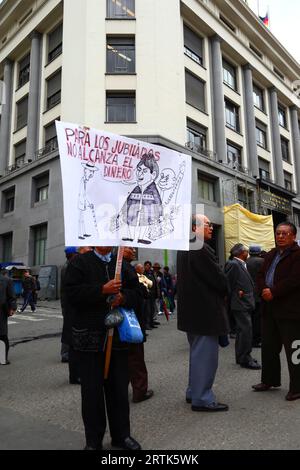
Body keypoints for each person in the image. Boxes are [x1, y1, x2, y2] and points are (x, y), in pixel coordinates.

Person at [64, 246, 141, 450]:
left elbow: (138, 292)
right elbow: (71, 294)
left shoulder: (121, 264)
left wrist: (123, 297)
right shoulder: (79, 263)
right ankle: (93, 441)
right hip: (89, 339)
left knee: (119, 390)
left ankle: (121, 435)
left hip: (117, 338)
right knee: (92, 393)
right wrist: (101, 290)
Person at [177, 214, 229, 412]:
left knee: (197, 355)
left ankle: (194, 391)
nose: (211, 228)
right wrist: (226, 287)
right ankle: (202, 398)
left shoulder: (184, 247)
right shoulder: (200, 247)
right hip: (205, 312)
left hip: (192, 312)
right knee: (205, 357)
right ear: (194, 227)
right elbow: (218, 279)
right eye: (207, 224)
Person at [252, 222, 300, 401]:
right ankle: (269, 380)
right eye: (278, 233)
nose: (280, 236)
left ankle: (297, 387)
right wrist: (264, 289)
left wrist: (274, 291)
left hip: (290, 310)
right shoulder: (271, 254)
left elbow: (295, 280)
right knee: (269, 347)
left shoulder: (297, 255)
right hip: (269, 308)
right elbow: (260, 275)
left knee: (294, 349)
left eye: (284, 234)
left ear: (293, 236)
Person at [123, 247, 154, 403]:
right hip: (130, 319)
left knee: (128, 357)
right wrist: (141, 289)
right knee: (135, 357)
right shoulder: (122, 268)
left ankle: (126, 389)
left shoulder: (124, 267)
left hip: (127, 319)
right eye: (129, 248)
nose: (133, 251)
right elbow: (138, 292)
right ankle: (140, 391)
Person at [224, 244, 261, 370]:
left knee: (242, 331)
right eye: (246, 251)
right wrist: (236, 293)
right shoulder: (233, 264)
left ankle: (242, 357)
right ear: (241, 253)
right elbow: (227, 283)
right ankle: (245, 358)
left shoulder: (241, 263)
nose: (248, 253)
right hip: (240, 303)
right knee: (246, 331)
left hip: (244, 302)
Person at [60, 246, 81, 385]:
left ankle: (66, 356)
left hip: (68, 305)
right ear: (73, 255)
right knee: (72, 338)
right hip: (70, 306)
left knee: (70, 335)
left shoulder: (67, 266)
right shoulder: (69, 267)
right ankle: (74, 374)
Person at [246, 245, 264, 347]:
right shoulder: (262, 261)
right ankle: (256, 339)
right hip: (258, 292)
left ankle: (250, 338)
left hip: (248, 292)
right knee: (258, 317)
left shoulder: (246, 261)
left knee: (250, 317)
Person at [0, 270, 17, 365]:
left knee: (2, 335)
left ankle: (2, 358)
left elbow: (11, 296)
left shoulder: (7, 280)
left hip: (1, 310)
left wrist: (12, 308)